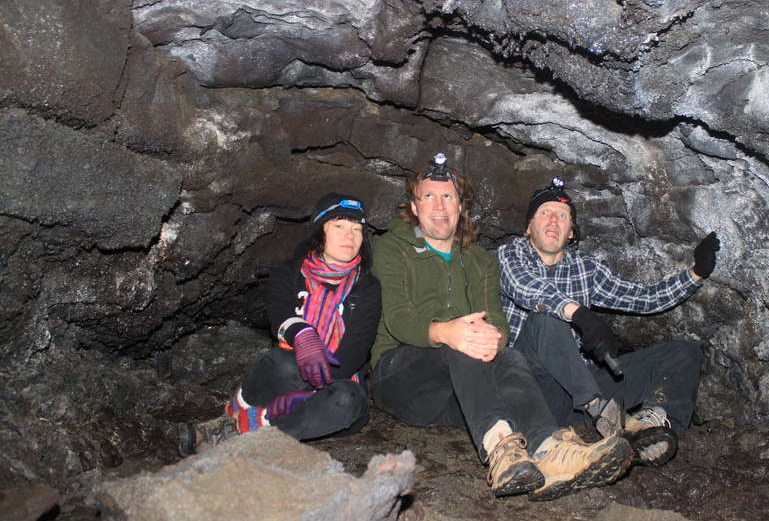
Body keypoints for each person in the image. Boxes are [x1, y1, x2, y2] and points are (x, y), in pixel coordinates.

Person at [370, 153, 631, 501]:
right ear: (415, 207)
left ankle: (549, 449)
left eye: (448, 196)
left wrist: (493, 338)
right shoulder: (392, 248)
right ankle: (500, 451)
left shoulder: (479, 261)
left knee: (507, 355)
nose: (439, 206)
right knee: (463, 341)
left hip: (460, 395)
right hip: (402, 378)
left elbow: (498, 322)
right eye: (428, 196)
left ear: (461, 206)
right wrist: (449, 332)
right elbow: (398, 319)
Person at [497, 177, 720, 466]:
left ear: (571, 233)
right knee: (546, 320)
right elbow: (526, 287)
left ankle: (655, 431)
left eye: (562, 216)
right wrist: (578, 314)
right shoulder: (510, 254)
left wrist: (696, 274)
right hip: (533, 390)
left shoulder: (585, 268)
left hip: (580, 389)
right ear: (529, 227)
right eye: (544, 213)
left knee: (683, 353)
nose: (553, 220)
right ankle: (605, 416)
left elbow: (643, 298)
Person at [178, 192, 381, 455]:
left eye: (357, 229)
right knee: (283, 364)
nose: (350, 236)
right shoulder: (287, 273)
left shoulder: (367, 288)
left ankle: (244, 429)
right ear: (320, 231)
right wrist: (302, 333)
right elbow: (279, 315)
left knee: (345, 400)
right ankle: (238, 413)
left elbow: (354, 352)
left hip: (337, 382)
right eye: (339, 226)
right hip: (287, 374)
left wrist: (306, 397)